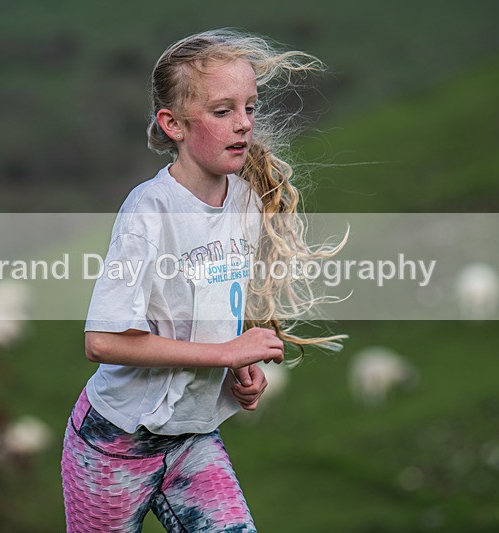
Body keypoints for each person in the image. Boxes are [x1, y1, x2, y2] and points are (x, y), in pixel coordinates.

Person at [61, 29, 347, 532]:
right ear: (173, 124)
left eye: (250, 109)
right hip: (115, 444)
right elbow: (101, 340)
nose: (243, 125)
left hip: (193, 439)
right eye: (222, 112)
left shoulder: (246, 199)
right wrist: (224, 355)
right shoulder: (149, 211)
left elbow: (213, 302)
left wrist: (237, 368)